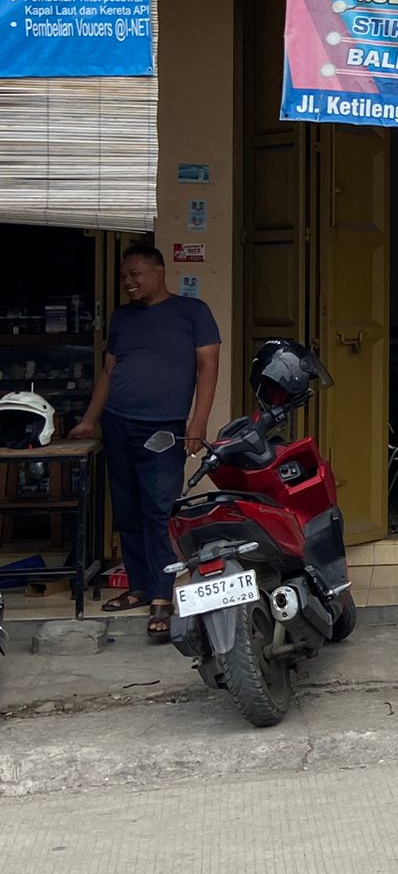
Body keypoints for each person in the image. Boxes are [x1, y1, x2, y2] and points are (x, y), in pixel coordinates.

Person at [71, 242, 221, 643]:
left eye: (135, 274)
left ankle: (162, 596)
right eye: (124, 276)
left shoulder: (193, 312)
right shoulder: (122, 317)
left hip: (163, 429)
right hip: (118, 423)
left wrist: (199, 422)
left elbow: (208, 366)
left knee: (158, 509)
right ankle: (139, 586)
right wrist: (90, 420)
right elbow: (109, 370)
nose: (128, 282)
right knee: (127, 510)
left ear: (159, 272)